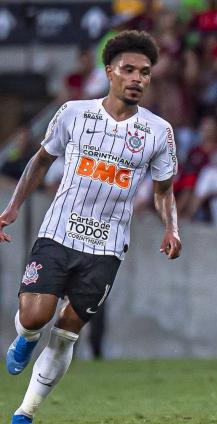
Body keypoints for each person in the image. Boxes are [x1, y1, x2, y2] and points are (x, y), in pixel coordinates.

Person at [1, 30, 181, 424]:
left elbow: (164, 190)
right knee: (34, 317)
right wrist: (14, 206)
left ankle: (25, 412)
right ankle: (26, 338)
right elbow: (40, 162)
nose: (137, 79)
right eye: (129, 70)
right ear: (110, 72)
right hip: (59, 232)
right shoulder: (72, 113)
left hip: (107, 246)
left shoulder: (158, 132)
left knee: (67, 330)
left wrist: (172, 228)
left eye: (145, 72)